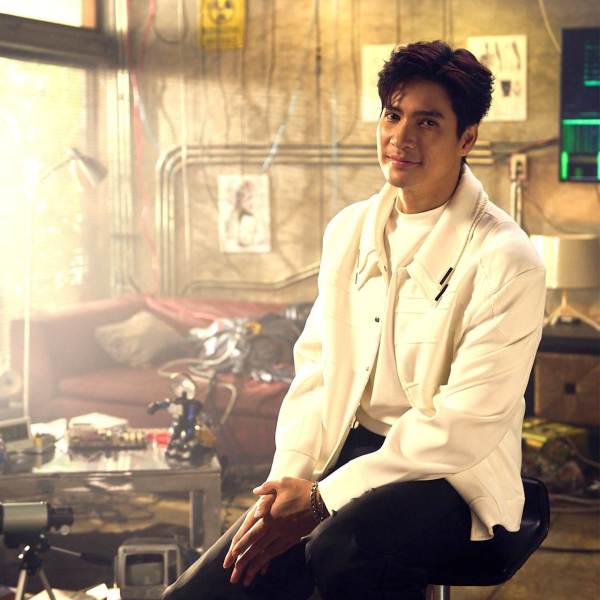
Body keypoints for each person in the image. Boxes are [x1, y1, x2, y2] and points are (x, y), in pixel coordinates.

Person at [163, 40, 546, 600]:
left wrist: (322, 501)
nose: (401, 137)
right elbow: (317, 371)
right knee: (204, 593)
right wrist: (290, 481)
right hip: (348, 451)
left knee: (340, 548)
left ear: (467, 138)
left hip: (452, 475)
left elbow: (464, 424)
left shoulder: (507, 258)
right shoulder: (349, 229)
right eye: (393, 115)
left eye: (427, 122)